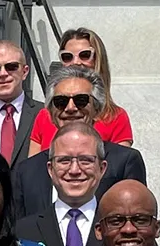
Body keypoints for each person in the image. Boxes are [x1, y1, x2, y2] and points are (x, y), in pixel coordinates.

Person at [8, 66, 144, 220]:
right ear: (51, 112)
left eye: (81, 100)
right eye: (60, 102)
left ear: (97, 108)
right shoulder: (27, 171)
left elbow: (138, 221)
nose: (70, 108)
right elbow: (19, 231)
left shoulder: (125, 162)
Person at [11, 123, 111, 246]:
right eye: (64, 160)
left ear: (102, 168)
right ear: (50, 169)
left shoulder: (119, 228)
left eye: (85, 160)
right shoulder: (22, 232)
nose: (74, 170)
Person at [33, 28, 134, 150]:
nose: (76, 62)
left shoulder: (116, 116)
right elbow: (33, 166)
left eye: (85, 55)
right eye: (67, 56)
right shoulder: (45, 116)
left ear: (98, 60)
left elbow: (121, 165)